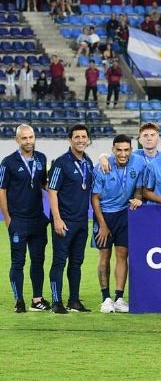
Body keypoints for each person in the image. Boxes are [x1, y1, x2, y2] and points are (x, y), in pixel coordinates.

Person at [91, 135, 144, 314]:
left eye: (126, 150)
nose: (123, 154)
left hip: (125, 214)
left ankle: (119, 298)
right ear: (113, 150)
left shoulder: (138, 163)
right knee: (104, 255)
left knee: (123, 254)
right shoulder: (102, 166)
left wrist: (137, 198)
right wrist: (102, 224)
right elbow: (95, 198)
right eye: (119, 150)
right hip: (105, 214)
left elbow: (139, 188)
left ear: (131, 149)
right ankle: (105, 298)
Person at [1, 125, 49, 312]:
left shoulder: (41, 158)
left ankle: (37, 300)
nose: (28, 141)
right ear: (17, 140)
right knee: (18, 262)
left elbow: (44, 183)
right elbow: (2, 190)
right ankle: (19, 300)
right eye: (24, 138)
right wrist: (8, 219)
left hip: (38, 220)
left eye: (31, 137)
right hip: (18, 221)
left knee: (38, 260)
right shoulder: (8, 162)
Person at [47, 124, 94, 314]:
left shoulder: (88, 162)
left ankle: (74, 300)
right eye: (77, 137)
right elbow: (52, 191)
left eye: (84, 136)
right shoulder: (61, 163)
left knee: (77, 262)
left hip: (82, 221)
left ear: (88, 140)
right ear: (70, 140)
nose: (81, 140)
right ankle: (56, 301)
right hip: (64, 220)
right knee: (59, 261)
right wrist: (57, 219)